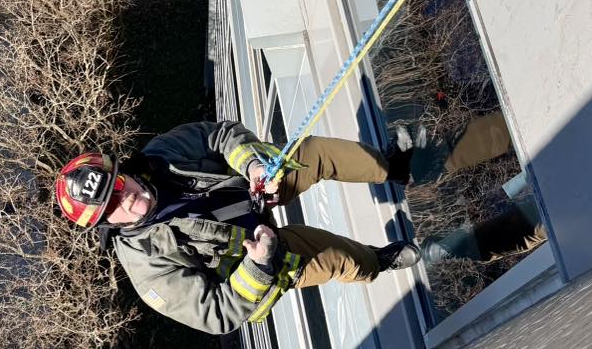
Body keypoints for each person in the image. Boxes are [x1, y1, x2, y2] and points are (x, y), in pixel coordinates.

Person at [55, 120, 425, 335]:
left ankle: (393, 168)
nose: (128, 196)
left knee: (311, 152)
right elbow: (215, 314)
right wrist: (259, 265)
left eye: (119, 184)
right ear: (104, 223)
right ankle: (378, 260)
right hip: (261, 258)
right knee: (337, 256)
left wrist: (251, 166)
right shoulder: (147, 269)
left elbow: (219, 134)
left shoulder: (161, 156)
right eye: (113, 203)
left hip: (256, 190)